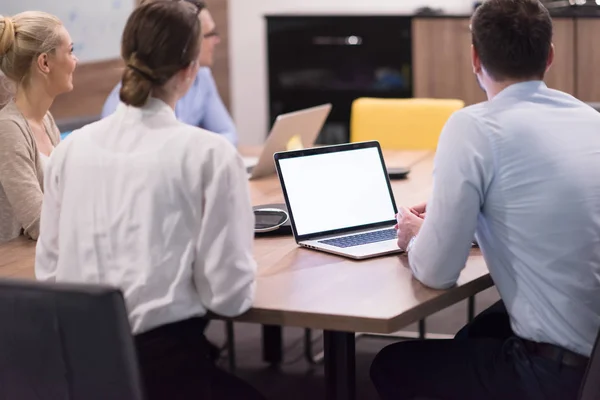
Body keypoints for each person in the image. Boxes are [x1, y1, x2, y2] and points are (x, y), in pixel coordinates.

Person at [371, 0, 600, 399]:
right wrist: (463, 216)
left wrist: (416, 235)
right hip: (593, 351)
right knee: (474, 333)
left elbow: (438, 272)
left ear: (475, 58)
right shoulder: (589, 118)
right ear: (549, 56)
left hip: (558, 375)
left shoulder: (475, 126)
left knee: (389, 364)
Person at [35, 2, 264, 399]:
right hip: (165, 372)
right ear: (192, 69)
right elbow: (228, 297)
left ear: (128, 58)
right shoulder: (209, 154)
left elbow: (50, 274)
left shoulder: (71, 150)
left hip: (78, 368)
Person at [100, 0, 237, 146]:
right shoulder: (122, 100)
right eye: (210, 34)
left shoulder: (203, 77)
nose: (216, 40)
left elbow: (228, 133)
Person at [0, 12, 77, 243]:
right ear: (44, 63)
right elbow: (41, 225)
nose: (76, 61)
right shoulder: (8, 129)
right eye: (70, 51)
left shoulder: (45, 119)